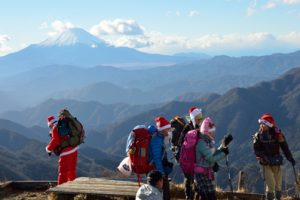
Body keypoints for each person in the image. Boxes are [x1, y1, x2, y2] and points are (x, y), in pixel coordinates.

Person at [253, 113, 296, 200]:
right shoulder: (258, 136)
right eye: (261, 124)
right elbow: (256, 149)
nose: (261, 125)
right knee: (271, 184)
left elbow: (284, 147)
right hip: (266, 162)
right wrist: (263, 157)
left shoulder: (278, 134)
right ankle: (270, 197)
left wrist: (290, 158)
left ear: (268, 125)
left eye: (263, 124)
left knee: (278, 185)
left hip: (276, 161)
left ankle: (278, 198)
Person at [195, 117, 229, 200]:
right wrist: (224, 153)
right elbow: (211, 158)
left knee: (206, 196)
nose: (214, 132)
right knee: (210, 196)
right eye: (212, 130)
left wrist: (222, 147)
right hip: (202, 174)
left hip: (205, 173)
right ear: (208, 131)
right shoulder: (202, 143)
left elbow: (212, 154)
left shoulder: (207, 141)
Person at [46, 115, 79, 185]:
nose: (50, 128)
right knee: (71, 171)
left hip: (66, 152)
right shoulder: (64, 124)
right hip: (74, 149)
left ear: (51, 124)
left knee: (63, 172)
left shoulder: (55, 128)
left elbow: (55, 141)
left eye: (49, 126)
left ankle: (61, 192)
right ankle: (73, 188)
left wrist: (48, 149)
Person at [178, 107, 203, 200]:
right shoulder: (187, 127)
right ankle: (188, 196)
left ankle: (195, 195)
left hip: (195, 159)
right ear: (193, 118)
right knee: (189, 178)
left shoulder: (198, 127)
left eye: (201, 118)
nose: (200, 120)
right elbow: (180, 142)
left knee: (195, 178)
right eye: (198, 118)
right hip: (187, 159)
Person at [148, 117, 173, 200]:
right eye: (168, 129)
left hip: (156, 171)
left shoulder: (160, 138)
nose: (169, 131)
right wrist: (161, 175)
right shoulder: (157, 141)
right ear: (163, 129)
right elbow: (157, 159)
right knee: (163, 194)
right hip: (155, 172)